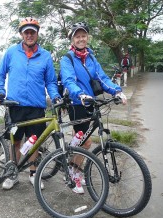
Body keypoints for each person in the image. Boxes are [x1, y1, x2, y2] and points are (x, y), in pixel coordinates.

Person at [60, 22, 127, 194]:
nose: (81, 39)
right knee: (86, 141)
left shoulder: (91, 57)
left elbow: (102, 78)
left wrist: (117, 91)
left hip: (92, 103)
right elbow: (68, 80)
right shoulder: (67, 58)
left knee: (84, 142)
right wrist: (80, 94)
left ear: (87, 37)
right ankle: (73, 173)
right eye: (77, 36)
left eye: (83, 36)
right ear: (72, 39)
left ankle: (73, 163)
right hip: (77, 103)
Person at [0, 17, 61, 190]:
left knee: (35, 142)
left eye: (33, 32)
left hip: (36, 107)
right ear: (22, 34)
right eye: (26, 32)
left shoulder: (45, 56)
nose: (30, 35)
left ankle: (34, 173)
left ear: (37, 34)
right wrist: (0, 91)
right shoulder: (11, 53)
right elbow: (0, 74)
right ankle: (13, 174)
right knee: (15, 142)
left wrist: (55, 97)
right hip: (15, 105)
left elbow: (51, 82)